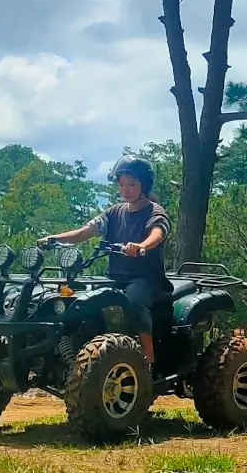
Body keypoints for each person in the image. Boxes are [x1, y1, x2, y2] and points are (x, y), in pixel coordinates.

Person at [38, 155, 171, 365]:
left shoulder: (154, 211)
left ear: (143, 185)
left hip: (145, 279)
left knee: (134, 305)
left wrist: (142, 246)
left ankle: (147, 361)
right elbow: (84, 232)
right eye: (121, 184)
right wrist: (53, 239)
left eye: (131, 185)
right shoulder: (114, 212)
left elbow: (158, 233)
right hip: (114, 278)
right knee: (83, 302)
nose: (125, 189)